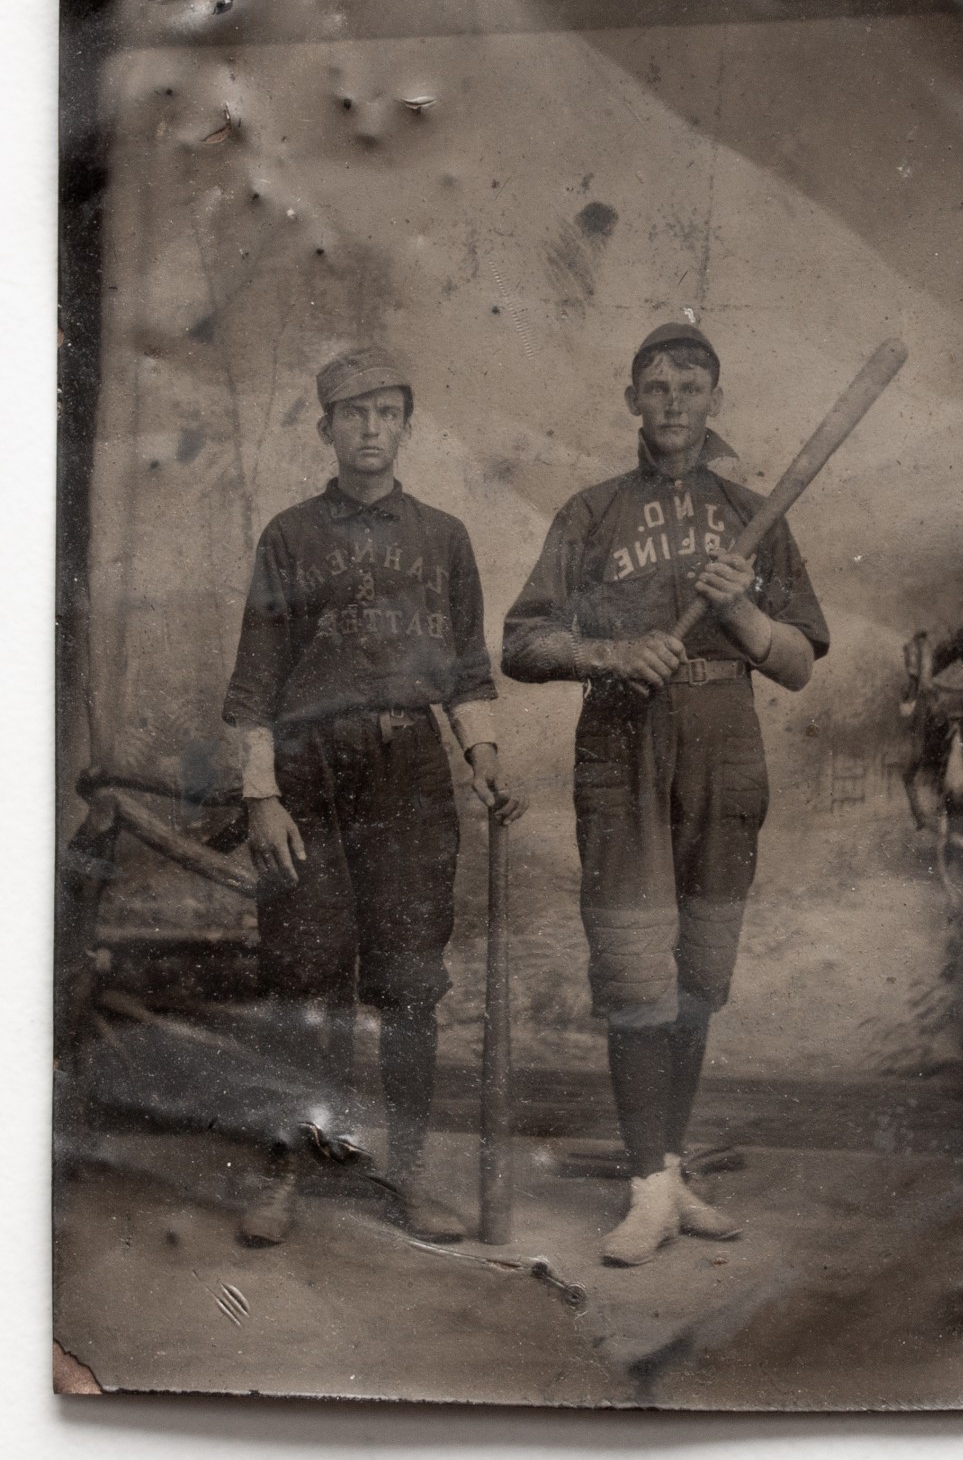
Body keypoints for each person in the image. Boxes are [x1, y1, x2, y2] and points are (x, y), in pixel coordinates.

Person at [502, 322, 828, 1265]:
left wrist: (741, 612)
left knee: (699, 967)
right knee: (638, 966)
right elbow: (522, 642)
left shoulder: (752, 510)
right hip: (624, 739)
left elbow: (799, 663)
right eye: (656, 385)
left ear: (714, 400)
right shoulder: (591, 513)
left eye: (691, 385)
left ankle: (670, 1167)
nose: (674, 400)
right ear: (632, 400)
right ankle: (648, 1190)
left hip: (725, 741)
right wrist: (608, 653)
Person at [223, 346, 524, 1247]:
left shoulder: (443, 538)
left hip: (411, 779)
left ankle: (408, 1174)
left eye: (385, 412)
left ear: (404, 425)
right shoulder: (290, 535)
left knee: (407, 984)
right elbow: (253, 684)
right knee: (305, 978)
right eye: (352, 414)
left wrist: (486, 756)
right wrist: (261, 797)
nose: (369, 428)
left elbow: (469, 674)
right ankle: (283, 1170)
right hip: (309, 781)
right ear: (325, 428)